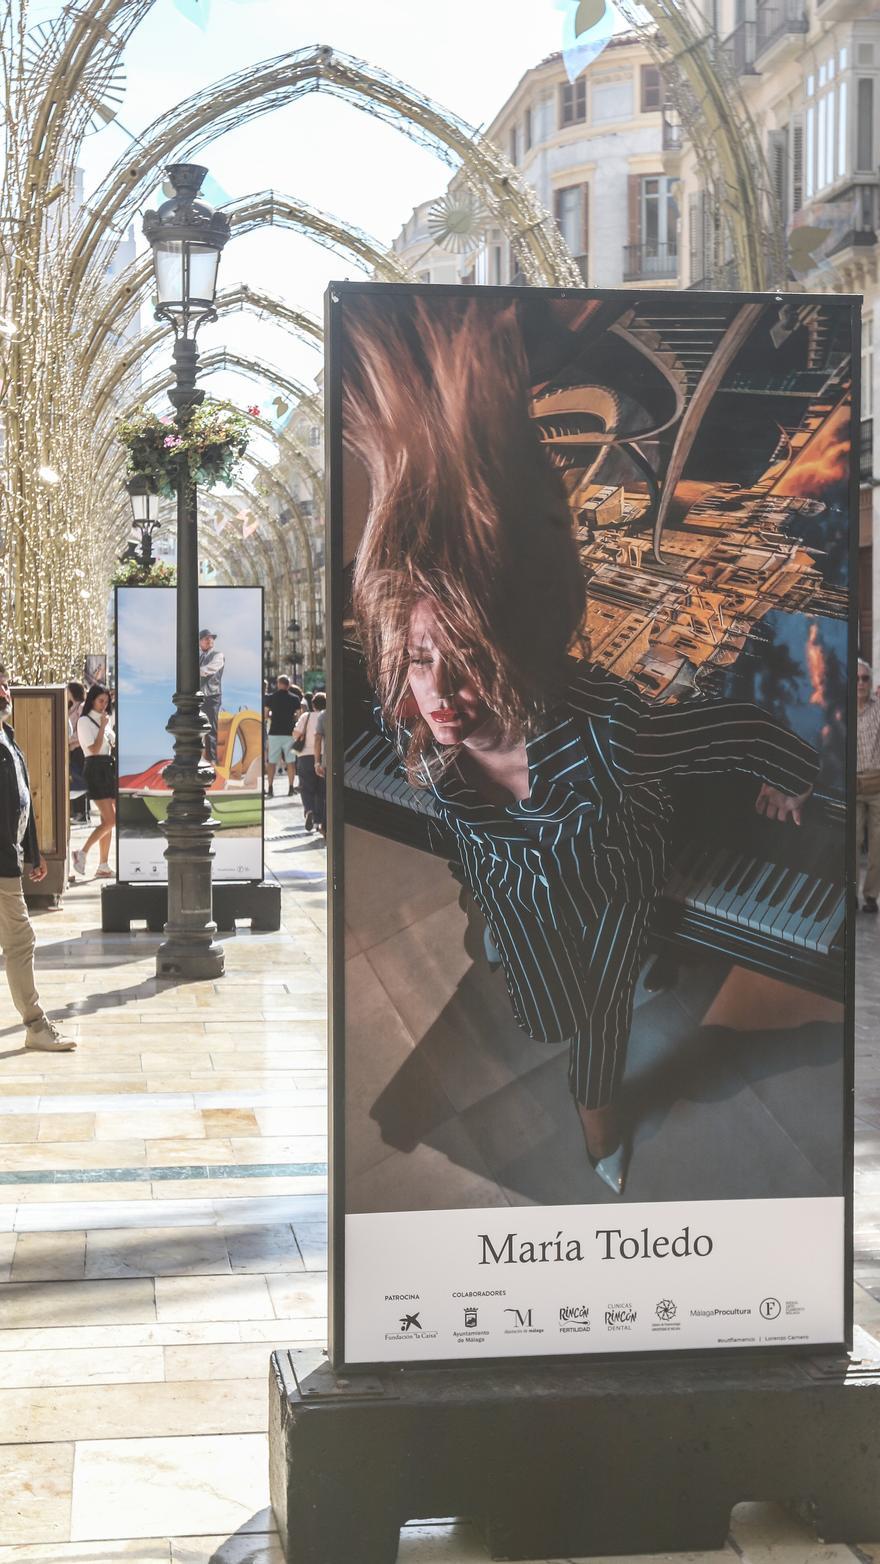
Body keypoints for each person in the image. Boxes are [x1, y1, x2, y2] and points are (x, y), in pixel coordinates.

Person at [344, 295, 818, 1195]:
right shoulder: (421, 722)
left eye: (468, 662)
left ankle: (601, 1135)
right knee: (527, 972)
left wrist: (788, 777)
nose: (437, 695)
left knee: (593, 1022)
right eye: (416, 661)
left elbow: (738, 730)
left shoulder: (613, 731)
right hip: (512, 897)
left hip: (609, 900)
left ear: (514, 642)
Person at [0, 665, 75, 1050]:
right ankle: (35, 1025)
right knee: (20, 940)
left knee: (19, 941)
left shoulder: (9, 740)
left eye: (6, 684)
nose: (5, 691)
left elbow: (21, 800)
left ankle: (35, 1024)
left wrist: (33, 853)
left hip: (9, 860)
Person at [72, 683, 116, 879]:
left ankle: (103, 864)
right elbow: (93, 749)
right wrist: (103, 729)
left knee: (106, 820)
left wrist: (107, 729)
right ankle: (82, 852)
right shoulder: (84, 721)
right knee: (111, 820)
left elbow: (108, 745)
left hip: (107, 768)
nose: (103, 705)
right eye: (100, 701)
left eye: (106, 701)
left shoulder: (105, 719)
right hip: (95, 769)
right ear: (92, 700)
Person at [857, 658, 880, 913]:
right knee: (853, 841)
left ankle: (871, 896)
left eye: (865, 678)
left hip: (876, 783)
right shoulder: (844, 707)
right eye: (857, 678)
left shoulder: (878, 708)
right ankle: (851, 894)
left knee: (877, 844)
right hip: (853, 784)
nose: (861, 683)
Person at [264, 675, 303, 797]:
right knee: (291, 762)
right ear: (288, 685)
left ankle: (270, 788)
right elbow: (298, 715)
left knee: (272, 762)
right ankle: (291, 788)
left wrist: (271, 717)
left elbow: (265, 715)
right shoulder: (295, 698)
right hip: (289, 733)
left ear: (278, 684)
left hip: (274, 733)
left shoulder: (271, 698)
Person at [293, 694, 322, 834]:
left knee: (306, 786)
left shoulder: (306, 716)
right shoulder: (328, 716)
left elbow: (295, 734)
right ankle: (319, 820)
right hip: (323, 755)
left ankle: (309, 809)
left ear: (313, 705)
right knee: (321, 788)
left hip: (305, 755)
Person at [199, 629, 225, 763]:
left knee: (211, 728)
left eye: (211, 638)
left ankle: (213, 761)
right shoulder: (199, 658)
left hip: (213, 696)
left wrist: (193, 670)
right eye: (205, 638)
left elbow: (210, 669)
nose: (209, 640)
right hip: (199, 697)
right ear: (200, 642)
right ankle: (200, 757)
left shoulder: (218, 655)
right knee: (198, 727)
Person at [66, 680, 89, 825]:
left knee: (79, 779)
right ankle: (79, 813)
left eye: (67, 690)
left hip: (79, 749)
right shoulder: (71, 706)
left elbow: (81, 731)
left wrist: (68, 741)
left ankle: (82, 814)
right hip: (73, 748)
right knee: (76, 779)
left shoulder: (80, 707)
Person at [312, 691, 327, 840]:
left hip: (329, 762)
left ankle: (325, 827)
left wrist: (317, 762)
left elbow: (317, 740)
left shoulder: (323, 716)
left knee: (327, 795)